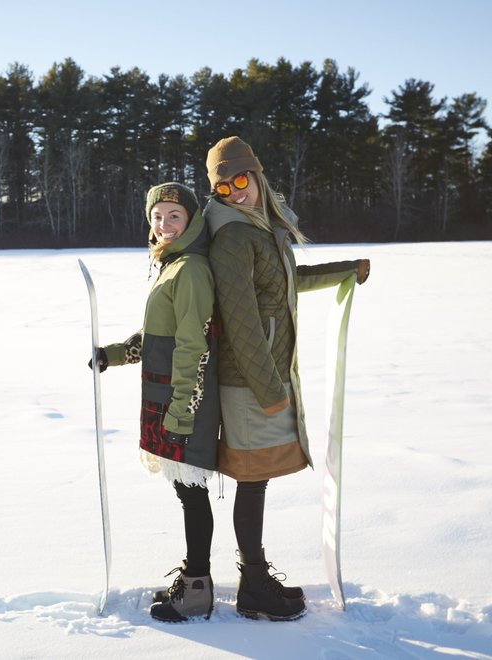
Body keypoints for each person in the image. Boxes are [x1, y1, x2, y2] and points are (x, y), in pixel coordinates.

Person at [202, 136, 371, 621]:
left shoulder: (258, 227)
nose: (236, 191)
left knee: (255, 484)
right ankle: (253, 587)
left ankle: (254, 578)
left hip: (264, 379)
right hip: (250, 383)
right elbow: (242, 323)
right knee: (251, 483)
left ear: (257, 177)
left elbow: (283, 286)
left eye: (242, 180)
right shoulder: (234, 235)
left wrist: (343, 270)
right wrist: (270, 390)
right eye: (224, 185)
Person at [88, 182, 221, 622]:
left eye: (174, 216)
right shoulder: (171, 264)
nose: (164, 225)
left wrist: (182, 410)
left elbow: (193, 347)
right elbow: (153, 338)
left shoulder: (191, 270)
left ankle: (198, 588)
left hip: (183, 400)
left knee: (192, 492)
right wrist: (113, 355)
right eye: (157, 217)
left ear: (192, 220)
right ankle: (194, 576)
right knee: (186, 493)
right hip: (165, 396)